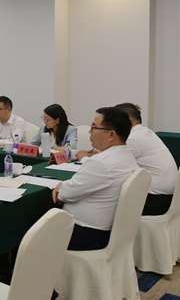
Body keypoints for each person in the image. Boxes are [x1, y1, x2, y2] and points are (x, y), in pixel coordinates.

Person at [52, 107, 138, 250]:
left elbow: (63, 195)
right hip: (104, 230)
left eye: (94, 127)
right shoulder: (127, 156)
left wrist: (62, 187)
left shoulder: (101, 163)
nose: (89, 131)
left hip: (86, 234)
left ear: (111, 134)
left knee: (28, 231)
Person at [116, 102, 178, 216]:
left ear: (128, 122)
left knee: (106, 199)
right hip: (167, 198)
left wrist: (85, 158)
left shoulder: (133, 138)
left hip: (155, 201)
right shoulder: (146, 133)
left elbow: (110, 164)